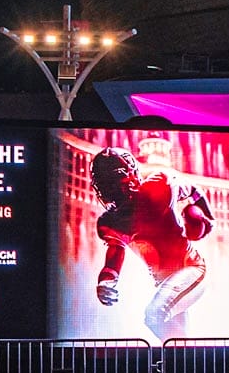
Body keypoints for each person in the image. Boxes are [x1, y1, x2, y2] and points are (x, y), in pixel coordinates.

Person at [90, 146, 215, 341]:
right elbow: (114, 255)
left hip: (191, 269)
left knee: (155, 315)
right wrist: (106, 282)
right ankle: (182, 366)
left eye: (111, 181)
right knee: (180, 339)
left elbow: (192, 189)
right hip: (165, 281)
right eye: (104, 183)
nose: (108, 189)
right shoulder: (111, 221)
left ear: (130, 174)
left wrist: (205, 216)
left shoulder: (159, 186)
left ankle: (186, 361)